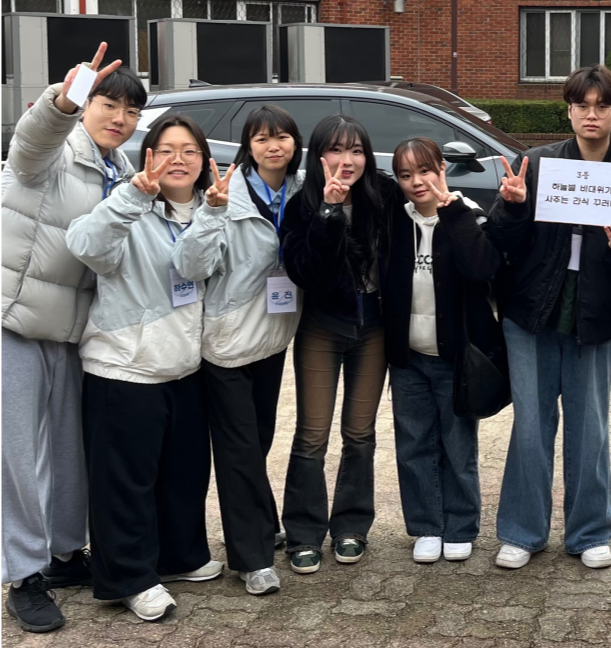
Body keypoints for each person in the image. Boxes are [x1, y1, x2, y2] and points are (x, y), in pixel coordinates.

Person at [1, 44, 142, 633]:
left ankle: (64, 553)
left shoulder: (124, 172)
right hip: (14, 319)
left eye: (131, 111)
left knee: (68, 450)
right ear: (88, 106)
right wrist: (61, 102)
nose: (120, 118)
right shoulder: (55, 151)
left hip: (74, 330)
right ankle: (23, 575)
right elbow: (29, 144)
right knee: (16, 455)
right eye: (109, 104)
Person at [489, 65, 611, 571]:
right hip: (531, 313)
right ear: (569, 111)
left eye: (602, 106)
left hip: (594, 316)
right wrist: (513, 207)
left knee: (590, 428)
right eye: (582, 105)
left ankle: (590, 531)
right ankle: (522, 531)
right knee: (531, 426)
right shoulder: (536, 165)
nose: (591, 115)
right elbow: (502, 242)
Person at [66, 114, 225, 622]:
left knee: (183, 471)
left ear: (204, 161)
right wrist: (133, 197)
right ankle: (128, 577)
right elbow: (85, 245)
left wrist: (212, 214)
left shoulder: (206, 208)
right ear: (147, 156)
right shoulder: (126, 202)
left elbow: (194, 268)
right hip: (124, 366)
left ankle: (179, 556)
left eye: (190, 151)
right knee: (124, 481)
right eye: (167, 149)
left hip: (182, 365)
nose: (179, 159)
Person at [173, 105, 304, 595]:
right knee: (239, 449)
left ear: (295, 143)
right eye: (261, 138)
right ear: (248, 147)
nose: (273, 146)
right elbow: (190, 266)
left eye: (282, 136)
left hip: (272, 337)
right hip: (226, 342)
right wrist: (211, 213)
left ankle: (262, 523)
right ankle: (251, 559)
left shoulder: (302, 190)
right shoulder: (227, 194)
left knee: (258, 441)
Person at [279, 114, 395, 574]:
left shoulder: (383, 196)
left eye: (356, 150)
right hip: (322, 326)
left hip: (374, 327)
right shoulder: (302, 204)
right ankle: (303, 533)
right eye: (336, 149)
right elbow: (305, 273)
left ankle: (351, 526)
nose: (347, 161)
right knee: (312, 435)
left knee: (360, 433)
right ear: (319, 155)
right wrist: (328, 213)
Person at [383, 137, 502, 564]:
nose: (417, 182)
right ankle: (426, 525)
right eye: (406, 175)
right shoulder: (397, 221)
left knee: (458, 446)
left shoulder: (467, 215)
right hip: (408, 358)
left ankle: (462, 525)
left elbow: (481, 270)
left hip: (455, 358)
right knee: (414, 445)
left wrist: (453, 213)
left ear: (442, 170)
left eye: (425, 171)